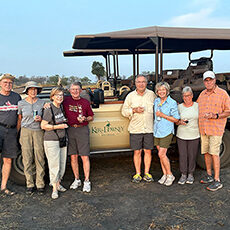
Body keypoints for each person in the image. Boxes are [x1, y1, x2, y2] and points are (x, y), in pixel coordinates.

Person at [197, 70, 230, 191]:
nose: (208, 82)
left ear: (215, 80)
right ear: (204, 82)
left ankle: (217, 180)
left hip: (215, 129)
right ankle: (209, 175)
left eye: (210, 79)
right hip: (204, 129)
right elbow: (196, 107)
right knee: (206, 153)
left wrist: (215, 115)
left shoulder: (223, 94)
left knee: (214, 154)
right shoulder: (202, 94)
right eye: (206, 80)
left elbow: (228, 111)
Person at [122, 75, 156, 183]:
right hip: (135, 129)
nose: (141, 84)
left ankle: (147, 173)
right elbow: (123, 111)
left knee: (148, 152)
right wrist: (134, 110)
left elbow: (159, 107)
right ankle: (137, 174)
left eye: (143, 82)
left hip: (149, 129)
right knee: (137, 152)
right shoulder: (130, 96)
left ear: (146, 83)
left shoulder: (152, 95)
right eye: (139, 82)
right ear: (135, 83)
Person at [63, 82, 94, 192]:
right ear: (70, 90)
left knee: (84, 156)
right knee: (73, 156)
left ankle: (86, 181)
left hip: (82, 129)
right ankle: (77, 179)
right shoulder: (65, 100)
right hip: (70, 129)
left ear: (81, 91)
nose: (75, 91)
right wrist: (47, 104)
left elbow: (91, 117)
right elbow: (54, 102)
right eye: (73, 89)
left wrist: (85, 119)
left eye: (77, 89)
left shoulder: (85, 102)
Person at [18, 81, 45, 194]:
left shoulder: (43, 103)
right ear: (27, 91)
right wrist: (17, 133)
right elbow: (20, 119)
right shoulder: (21, 103)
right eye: (31, 89)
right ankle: (29, 184)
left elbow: (46, 117)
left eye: (35, 89)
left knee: (40, 157)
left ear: (37, 91)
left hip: (38, 131)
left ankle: (40, 184)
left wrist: (41, 118)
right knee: (27, 158)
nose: (33, 91)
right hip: (25, 131)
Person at [41, 87, 68, 199]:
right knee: (54, 165)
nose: (59, 97)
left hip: (62, 139)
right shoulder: (49, 109)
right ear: (52, 97)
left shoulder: (60, 107)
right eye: (57, 95)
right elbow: (43, 125)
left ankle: (58, 183)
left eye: (61, 95)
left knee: (62, 163)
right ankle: (54, 190)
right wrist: (58, 126)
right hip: (51, 140)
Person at [154, 82, 180, 186]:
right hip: (157, 130)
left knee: (162, 154)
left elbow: (176, 119)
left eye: (163, 90)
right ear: (157, 91)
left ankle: (170, 175)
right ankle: (164, 174)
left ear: (167, 91)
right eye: (159, 90)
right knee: (160, 154)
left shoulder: (172, 103)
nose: (161, 92)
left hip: (167, 131)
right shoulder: (156, 101)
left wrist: (163, 115)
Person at [0, 73, 21, 196]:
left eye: (10, 83)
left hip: (12, 131)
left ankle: (3, 187)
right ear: (0, 84)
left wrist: (16, 131)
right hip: (0, 128)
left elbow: (20, 116)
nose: (8, 85)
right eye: (5, 82)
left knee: (7, 159)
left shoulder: (16, 97)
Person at [176, 86, 200, 185]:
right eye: (185, 96)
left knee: (192, 155)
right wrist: (179, 122)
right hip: (181, 134)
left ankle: (190, 174)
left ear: (192, 95)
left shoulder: (197, 106)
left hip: (194, 134)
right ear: (182, 97)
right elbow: (175, 121)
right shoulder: (179, 107)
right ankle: (183, 174)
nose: (187, 98)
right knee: (183, 155)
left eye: (188, 95)